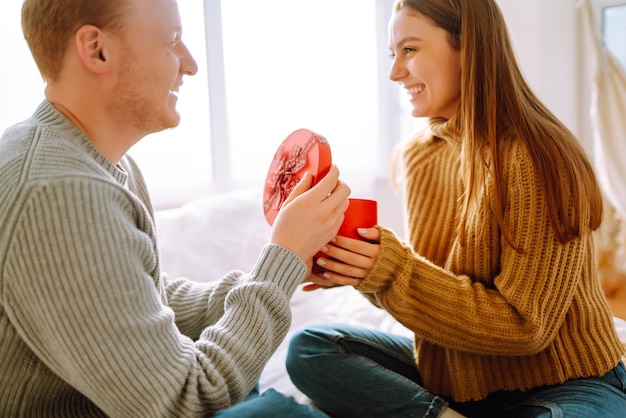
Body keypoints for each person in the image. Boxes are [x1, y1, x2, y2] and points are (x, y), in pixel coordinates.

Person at [0, 0, 349, 416]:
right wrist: (282, 259)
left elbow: (146, 300)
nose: (190, 64)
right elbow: (183, 401)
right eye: (171, 42)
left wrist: (276, 272)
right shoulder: (60, 191)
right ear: (97, 50)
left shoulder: (103, 164)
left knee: (250, 369)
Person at [286, 0, 626, 417]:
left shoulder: (538, 156)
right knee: (311, 348)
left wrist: (390, 269)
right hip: (455, 384)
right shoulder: (419, 157)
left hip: (564, 384)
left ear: (468, 47)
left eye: (410, 50)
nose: (395, 72)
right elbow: (439, 299)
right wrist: (360, 271)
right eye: (393, 54)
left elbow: (526, 327)